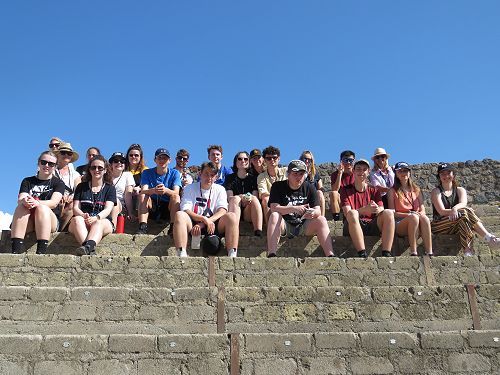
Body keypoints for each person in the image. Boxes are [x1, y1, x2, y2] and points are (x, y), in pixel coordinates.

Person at [267, 160, 334, 258]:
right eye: (295, 174)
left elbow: (318, 210)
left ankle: (330, 255)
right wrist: (293, 208)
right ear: (288, 174)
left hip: (304, 225)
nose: (298, 177)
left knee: (322, 219)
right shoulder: (278, 186)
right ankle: (271, 254)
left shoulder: (310, 187)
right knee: (274, 215)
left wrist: (312, 213)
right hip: (285, 225)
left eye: (301, 174)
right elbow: (273, 208)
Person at [431, 162, 499, 256]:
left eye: (448, 173)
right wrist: (455, 211)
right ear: (439, 177)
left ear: (453, 175)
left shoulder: (460, 190)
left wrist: (455, 208)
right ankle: (489, 238)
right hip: (439, 224)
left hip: (457, 222)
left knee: (463, 217)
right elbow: (441, 211)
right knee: (464, 212)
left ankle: (468, 251)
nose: (446, 176)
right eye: (443, 174)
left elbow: (463, 203)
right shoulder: (436, 191)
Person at [173, 161, 239, 257]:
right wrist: (203, 219)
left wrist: (205, 223)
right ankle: (181, 252)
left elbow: (223, 210)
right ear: (200, 174)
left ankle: (232, 253)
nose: (209, 178)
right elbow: (186, 209)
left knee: (232, 216)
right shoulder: (189, 188)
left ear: (216, 177)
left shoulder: (220, 189)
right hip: (193, 222)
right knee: (179, 215)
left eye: (212, 175)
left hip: (213, 223)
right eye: (206, 174)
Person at [10, 151, 65, 254]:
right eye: (44, 162)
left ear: (55, 166)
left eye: (51, 164)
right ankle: (16, 250)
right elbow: (21, 198)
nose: (47, 165)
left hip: (49, 221)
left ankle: (41, 251)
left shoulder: (58, 183)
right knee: (21, 206)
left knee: (42, 208)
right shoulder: (27, 181)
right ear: (39, 163)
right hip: (30, 220)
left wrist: (37, 203)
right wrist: (25, 201)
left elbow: (54, 203)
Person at [340, 159, 395, 258]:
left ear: (368, 172)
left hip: (371, 224)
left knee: (388, 213)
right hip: (352, 225)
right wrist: (364, 210)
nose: (361, 172)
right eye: (358, 169)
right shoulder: (345, 190)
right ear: (353, 171)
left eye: (364, 169)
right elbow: (347, 213)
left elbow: (381, 208)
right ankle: (362, 253)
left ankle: (386, 253)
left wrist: (377, 209)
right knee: (353, 213)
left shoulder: (374, 190)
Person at [69, 155, 117, 256]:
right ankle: (90, 249)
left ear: (105, 170)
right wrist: (83, 215)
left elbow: (108, 209)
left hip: (103, 221)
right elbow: (75, 208)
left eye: (100, 168)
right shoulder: (81, 187)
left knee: (98, 223)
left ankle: (87, 247)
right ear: (89, 170)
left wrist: (96, 217)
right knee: (76, 219)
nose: (96, 170)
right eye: (93, 167)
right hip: (83, 220)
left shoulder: (110, 188)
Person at [387, 162, 433, 256]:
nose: (403, 173)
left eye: (405, 171)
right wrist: (409, 215)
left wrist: (420, 214)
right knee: (414, 218)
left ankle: (429, 252)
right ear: (396, 174)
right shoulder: (392, 191)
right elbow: (392, 213)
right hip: (400, 222)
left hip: (416, 218)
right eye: (400, 171)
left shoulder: (416, 190)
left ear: (409, 173)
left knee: (425, 218)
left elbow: (422, 208)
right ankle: (413, 251)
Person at [136, 148, 181, 235]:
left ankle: (172, 227)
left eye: (165, 158)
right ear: (155, 160)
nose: (162, 160)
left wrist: (166, 190)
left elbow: (176, 192)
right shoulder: (147, 172)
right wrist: (154, 190)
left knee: (176, 197)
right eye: (159, 158)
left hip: (167, 207)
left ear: (169, 160)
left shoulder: (175, 173)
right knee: (142, 195)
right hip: (152, 205)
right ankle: (143, 226)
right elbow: (143, 190)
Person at [224, 151, 263, 237]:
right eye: (240, 159)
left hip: (248, 211)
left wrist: (247, 199)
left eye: (246, 159)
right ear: (236, 162)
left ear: (249, 162)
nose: (243, 161)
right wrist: (241, 197)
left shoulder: (253, 178)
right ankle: (234, 229)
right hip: (234, 208)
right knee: (235, 199)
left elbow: (255, 196)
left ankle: (258, 231)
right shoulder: (230, 178)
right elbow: (229, 198)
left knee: (253, 198)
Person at [53, 143, 82, 231]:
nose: (66, 155)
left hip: (69, 202)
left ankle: (60, 231)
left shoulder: (75, 174)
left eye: (69, 153)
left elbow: (78, 189)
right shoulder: (51, 171)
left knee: (73, 205)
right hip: (54, 198)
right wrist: (58, 195)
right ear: (58, 154)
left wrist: (72, 196)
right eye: (63, 152)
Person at [257, 145, 288, 223]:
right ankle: (269, 229)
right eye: (269, 158)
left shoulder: (287, 171)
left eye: (274, 158)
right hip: (271, 203)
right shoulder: (261, 176)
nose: (272, 160)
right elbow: (263, 194)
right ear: (264, 160)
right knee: (266, 200)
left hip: (286, 201)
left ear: (279, 159)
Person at [109, 152, 135, 225]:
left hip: (119, 205)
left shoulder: (128, 175)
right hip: (104, 203)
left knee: (115, 201)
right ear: (111, 164)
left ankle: (112, 226)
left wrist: (130, 213)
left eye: (122, 161)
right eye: (116, 161)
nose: (119, 163)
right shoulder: (105, 176)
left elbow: (128, 195)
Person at [329, 150, 356, 221]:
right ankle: (337, 220)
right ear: (341, 161)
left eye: (351, 160)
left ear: (354, 161)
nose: (348, 162)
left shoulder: (357, 173)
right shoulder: (335, 174)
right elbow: (335, 190)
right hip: (342, 200)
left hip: (354, 199)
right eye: (345, 160)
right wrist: (340, 174)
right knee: (333, 193)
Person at [125, 143, 149, 217]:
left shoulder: (145, 170)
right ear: (127, 157)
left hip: (139, 196)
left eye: (136, 155)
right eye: (131, 155)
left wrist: (139, 188)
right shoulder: (123, 170)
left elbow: (149, 186)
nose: (133, 157)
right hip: (125, 196)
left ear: (140, 157)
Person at [299, 150, 325, 216]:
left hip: (313, 198)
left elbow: (321, 188)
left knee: (320, 193)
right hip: (301, 197)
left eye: (309, 159)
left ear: (312, 161)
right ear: (301, 159)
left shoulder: (315, 174)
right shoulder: (297, 173)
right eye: (305, 159)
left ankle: (322, 217)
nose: (307, 161)